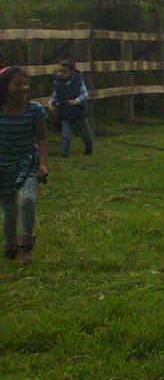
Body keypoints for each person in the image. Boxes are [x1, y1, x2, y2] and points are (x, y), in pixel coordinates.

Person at [0, 67, 49, 265]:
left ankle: (26, 247)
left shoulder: (35, 110)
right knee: (9, 210)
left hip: (28, 163)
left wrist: (43, 164)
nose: (24, 88)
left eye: (26, 84)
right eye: (17, 85)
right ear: (4, 88)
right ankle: (10, 243)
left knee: (27, 200)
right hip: (3, 166)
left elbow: (43, 138)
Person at [48, 60, 94, 156]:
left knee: (86, 133)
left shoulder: (79, 82)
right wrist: (51, 103)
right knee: (66, 135)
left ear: (71, 72)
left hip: (79, 111)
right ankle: (65, 153)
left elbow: (85, 94)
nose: (61, 74)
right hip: (65, 111)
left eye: (64, 72)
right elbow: (55, 95)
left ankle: (89, 150)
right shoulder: (57, 83)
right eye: (59, 71)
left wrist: (76, 101)